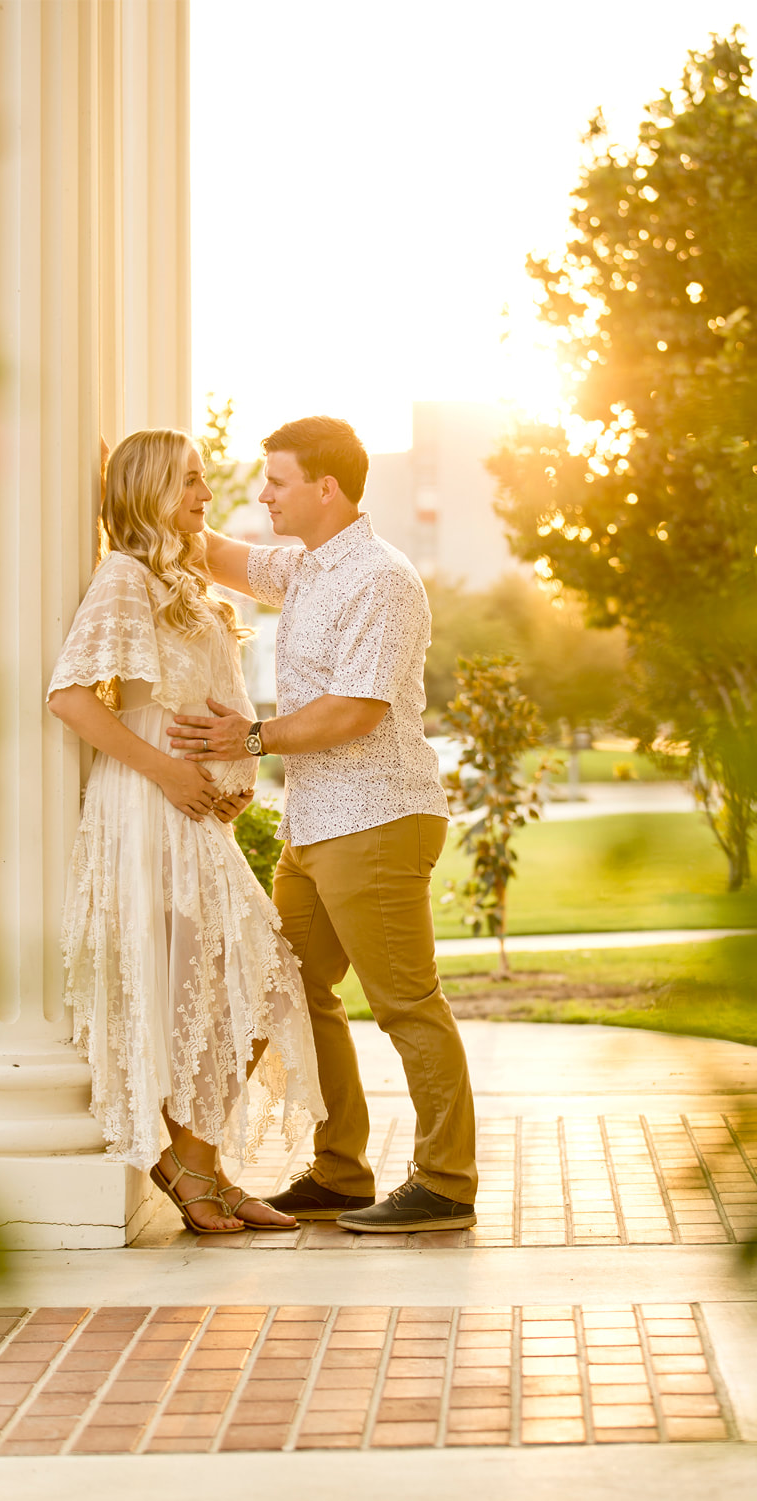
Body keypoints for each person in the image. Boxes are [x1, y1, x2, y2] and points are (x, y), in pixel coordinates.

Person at [165, 415, 478, 1233]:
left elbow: (357, 708)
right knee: (294, 990)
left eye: (275, 481)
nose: (260, 495)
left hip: (377, 818)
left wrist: (253, 736)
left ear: (325, 488)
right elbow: (210, 554)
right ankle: (341, 1172)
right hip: (318, 825)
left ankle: (446, 1181)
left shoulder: (379, 577)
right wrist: (130, 478)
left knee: (407, 1002)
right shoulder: (305, 569)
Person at [47, 429, 324, 1234]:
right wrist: (169, 772)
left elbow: (207, 703)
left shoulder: (189, 580)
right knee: (222, 977)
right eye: (191, 482)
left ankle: (197, 1165)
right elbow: (71, 696)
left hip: (195, 812)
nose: (207, 495)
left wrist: (231, 783)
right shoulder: (124, 575)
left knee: (245, 979)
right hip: (144, 804)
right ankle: (189, 1166)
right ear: (149, 494)